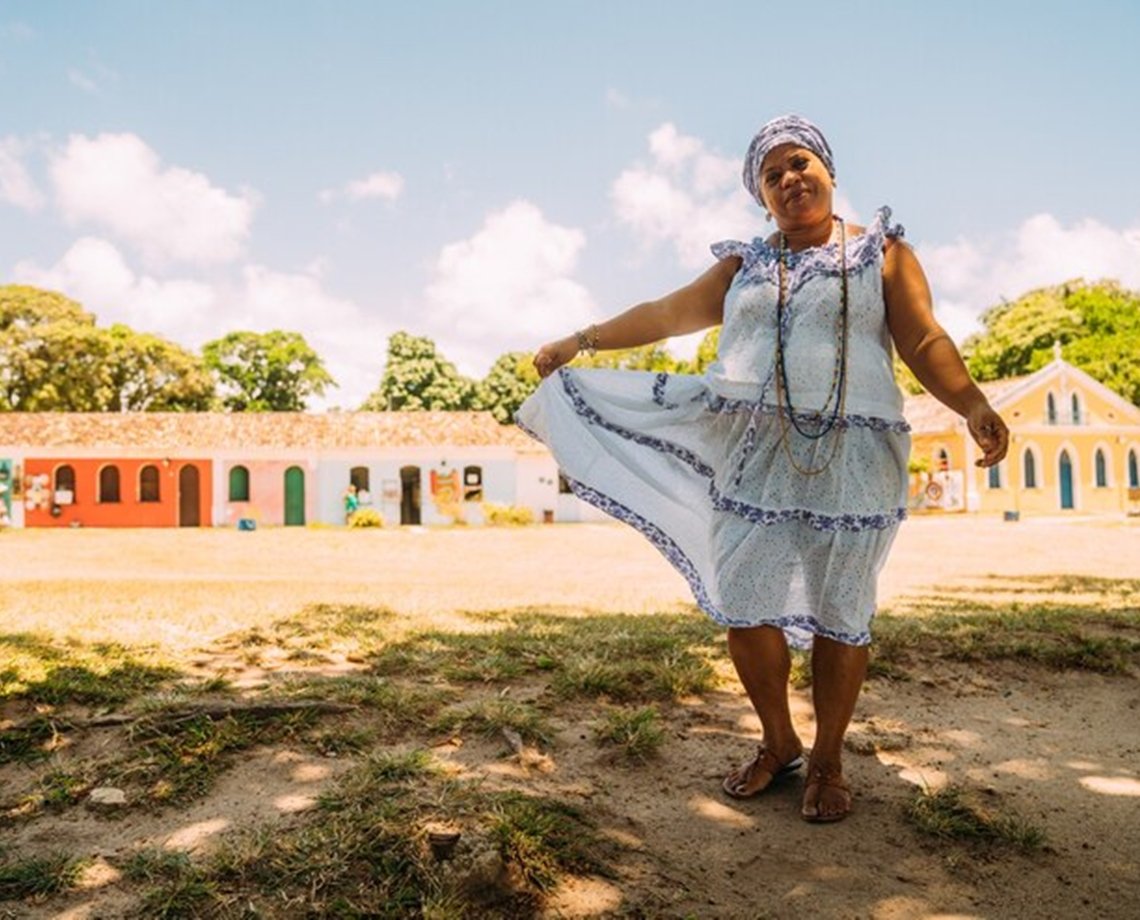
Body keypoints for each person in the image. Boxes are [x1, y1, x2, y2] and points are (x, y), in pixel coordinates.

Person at [517, 114, 1008, 823]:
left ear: (829, 171)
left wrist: (972, 402)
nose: (788, 180)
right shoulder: (744, 264)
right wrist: (580, 339)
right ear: (761, 196)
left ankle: (829, 757)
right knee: (746, 604)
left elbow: (924, 336)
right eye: (770, 175)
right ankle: (779, 743)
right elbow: (667, 312)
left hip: (852, 459)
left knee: (843, 610)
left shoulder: (881, 252)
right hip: (753, 456)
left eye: (799, 163)